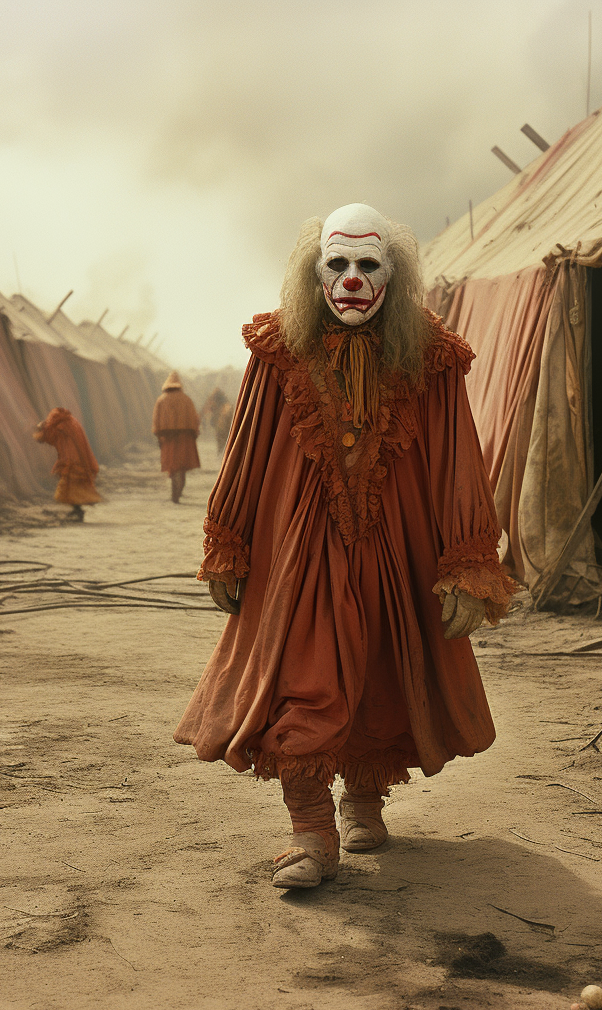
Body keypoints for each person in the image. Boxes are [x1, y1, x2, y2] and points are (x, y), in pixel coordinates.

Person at [174, 204, 516, 889]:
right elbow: (245, 448)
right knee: (303, 682)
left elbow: (458, 459)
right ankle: (310, 832)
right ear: (314, 272)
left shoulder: (433, 355)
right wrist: (229, 542)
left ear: (393, 274)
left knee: (385, 674)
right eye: (338, 264)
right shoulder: (278, 349)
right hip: (299, 556)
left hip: (399, 550)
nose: (353, 279)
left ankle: (363, 801)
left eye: (368, 264)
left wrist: (469, 566)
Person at [33, 406, 101, 522]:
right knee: (74, 487)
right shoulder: (72, 423)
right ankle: (77, 510)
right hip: (77, 460)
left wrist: (40, 428)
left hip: (71, 461)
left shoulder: (61, 426)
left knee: (69, 487)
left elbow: (47, 437)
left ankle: (77, 511)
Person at [152, 371, 201, 503]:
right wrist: (194, 433)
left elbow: (156, 421)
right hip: (185, 438)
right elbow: (194, 419)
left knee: (172, 465)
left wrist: (158, 436)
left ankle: (175, 493)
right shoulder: (187, 399)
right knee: (183, 465)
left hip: (168, 439)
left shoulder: (161, 400)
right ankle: (178, 491)